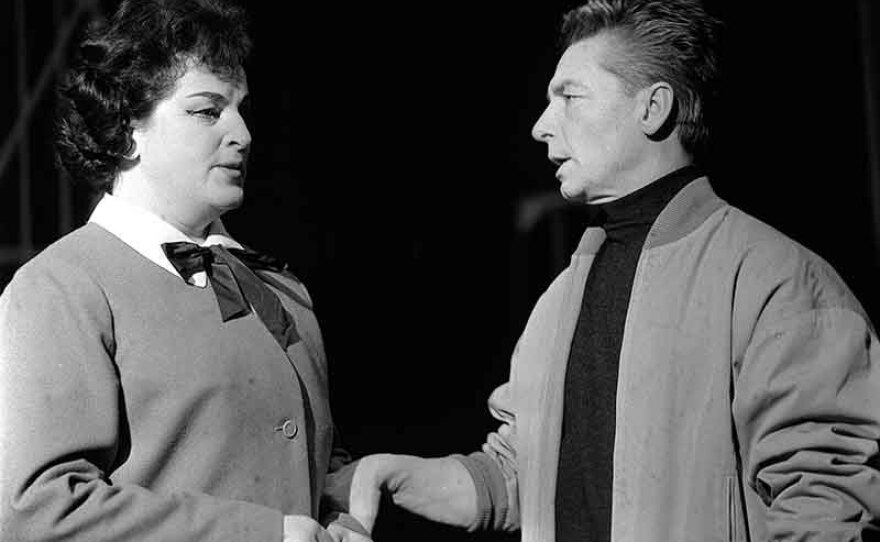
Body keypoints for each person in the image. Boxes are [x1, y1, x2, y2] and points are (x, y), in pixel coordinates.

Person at [338, 1, 880, 541]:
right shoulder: (559, 299)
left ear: (653, 108)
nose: (540, 126)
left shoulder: (777, 283)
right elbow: (521, 477)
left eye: (569, 97)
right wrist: (391, 473)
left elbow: (825, 504)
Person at [0, 1, 368, 541]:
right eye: (206, 111)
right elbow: (37, 509)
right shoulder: (62, 288)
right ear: (128, 127)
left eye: (241, 108)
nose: (241, 133)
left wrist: (341, 519)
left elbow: (315, 464)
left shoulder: (279, 288)